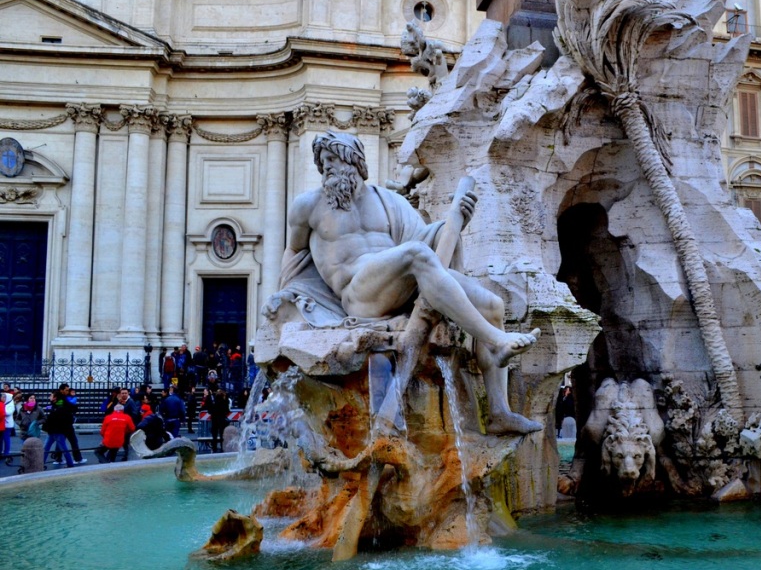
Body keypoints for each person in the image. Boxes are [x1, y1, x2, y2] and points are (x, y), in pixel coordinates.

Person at [269, 131, 542, 434]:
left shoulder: (388, 201)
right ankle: (494, 339)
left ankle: (499, 412)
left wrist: (455, 220)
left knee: (493, 304)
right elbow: (294, 252)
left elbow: (424, 243)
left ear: (355, 161)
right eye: (323, 162)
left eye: (333, 158)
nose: (327, 167)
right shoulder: (307, 205)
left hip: (395, 283)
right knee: (417, 253)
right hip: (358, 296)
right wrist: (286, 297)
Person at [42, 391, 76, 469]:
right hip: (54, 431)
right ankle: (41, 463)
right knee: (46, 448)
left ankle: (70, 464)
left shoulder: (60, 407)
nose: (49, 397)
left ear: (55, 398)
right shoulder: (56, 406)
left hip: (57, 431)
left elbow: (54, 419)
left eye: (51, 396)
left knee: (62, 448)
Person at [203, 388, 231, 453]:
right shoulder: (225, 400)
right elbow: (227, 410)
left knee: (214, 435)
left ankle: (214, 448)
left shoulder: (213, 400)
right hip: (222, 418)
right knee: (222, 434)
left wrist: (212, 412)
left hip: (214, 418)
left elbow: (209, 408)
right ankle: (222, 447)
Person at [1, 385, 14, 455]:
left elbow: (8, 413)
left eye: (5, 397)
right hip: (2, 424)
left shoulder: (10, 404)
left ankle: (6, 453)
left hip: (8, 425)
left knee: (6, 439)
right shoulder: (3, 404)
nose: (4, 398)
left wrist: (2, 411)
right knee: (1, 439)